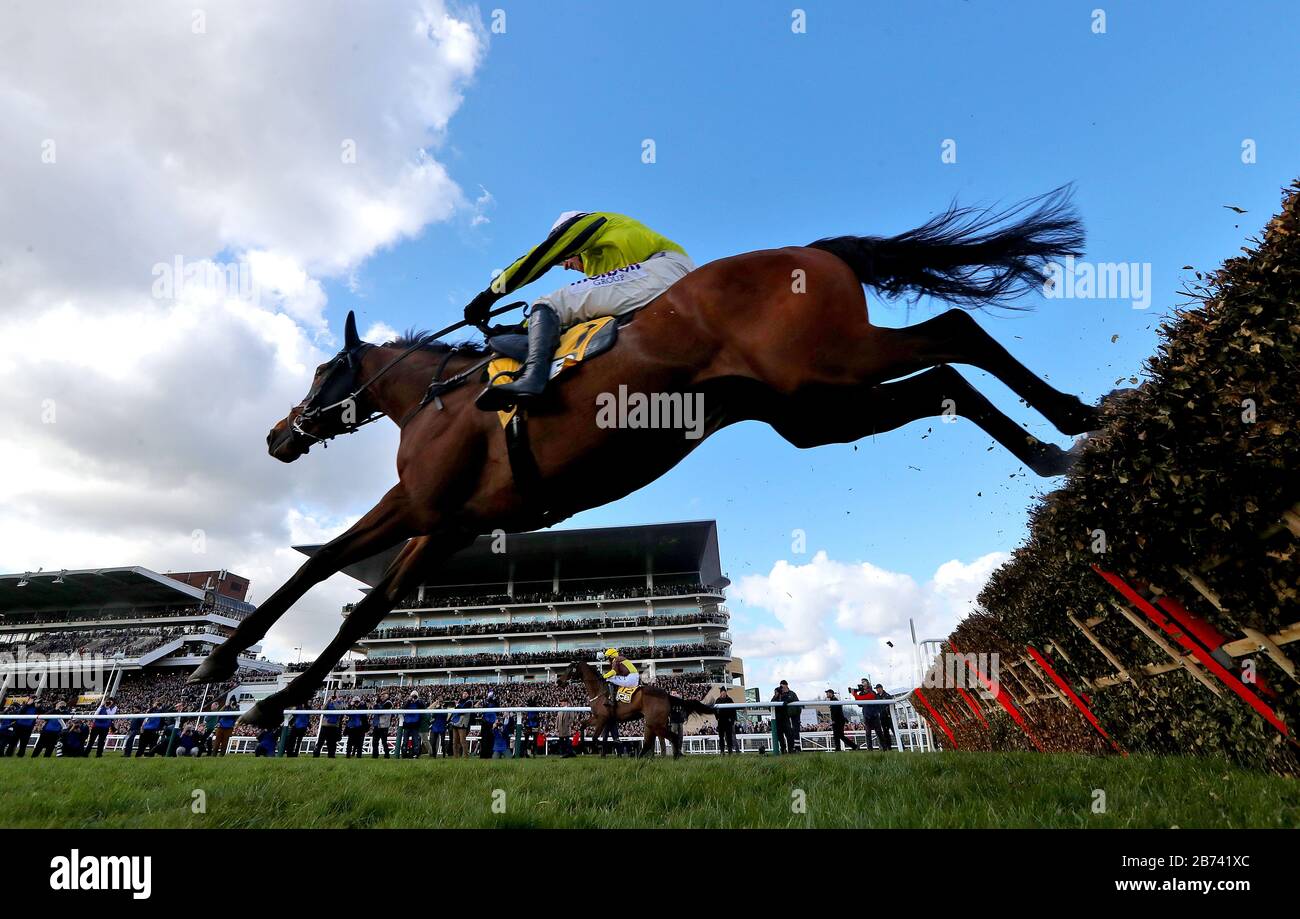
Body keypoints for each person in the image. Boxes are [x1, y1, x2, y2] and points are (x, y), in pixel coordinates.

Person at [466, 211, 695, 411]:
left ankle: (533, 379)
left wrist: (487, 297)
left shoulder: (591, 223)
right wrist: (522, 328)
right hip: (663, 278)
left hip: (661, 270)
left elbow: (538, 258)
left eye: (566, 258)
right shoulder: (607, 261)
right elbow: (583, 316)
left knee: (546, 303)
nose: (566, 266)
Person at [776, 681, 801, 753]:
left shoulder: (792, 694)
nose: (782, 688)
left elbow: (797, 704)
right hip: (786, 717)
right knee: (789, 733)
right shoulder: (780, 695)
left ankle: (797, 748)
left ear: (786, 685)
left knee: (795, 732)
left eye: (782, 686)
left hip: (794, 715)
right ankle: (790, 748)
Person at [400, 691, 424, 758]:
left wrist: (416, 700)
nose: (413, 697)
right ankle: (404, 753)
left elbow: (423, 707)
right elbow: (403, 708)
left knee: (415, 740)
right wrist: (408, 700)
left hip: (415, 724)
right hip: (407, 723)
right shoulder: (407, 702)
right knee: (405, 740)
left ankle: (415, 754)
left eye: (415, 696)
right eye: (412, 696)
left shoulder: (419, 702)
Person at [873, 683, 895, 751]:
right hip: (882, 717)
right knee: (886, 733)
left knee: (894, 731)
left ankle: (902, 746)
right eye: (876, 689)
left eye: (878, 688)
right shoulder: (876, 696)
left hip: (889, 717)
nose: (877, 690)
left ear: (881, 688)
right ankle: (889, 747)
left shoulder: (887, 695)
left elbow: (892, 705)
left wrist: (890, 712)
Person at [371, 694, 392, 758]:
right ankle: (375, 755)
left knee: (384, 741)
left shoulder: (388, 703)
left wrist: (377, 705)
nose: (382, 697)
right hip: (377, 724)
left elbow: (381, 711)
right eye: (381, 696)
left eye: (383, 696)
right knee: (374, 741)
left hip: (384, 725)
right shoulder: (380, 703)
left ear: (387, 696)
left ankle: (387, 754)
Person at [478, 690, 498, 760]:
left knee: (490, 739)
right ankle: (483, 755)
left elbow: (497, 710)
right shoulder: (485, 702)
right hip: (485, 722)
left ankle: (489, 755)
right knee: (484, 740)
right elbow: (480, 709)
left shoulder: (495, 702)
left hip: (492, 722)